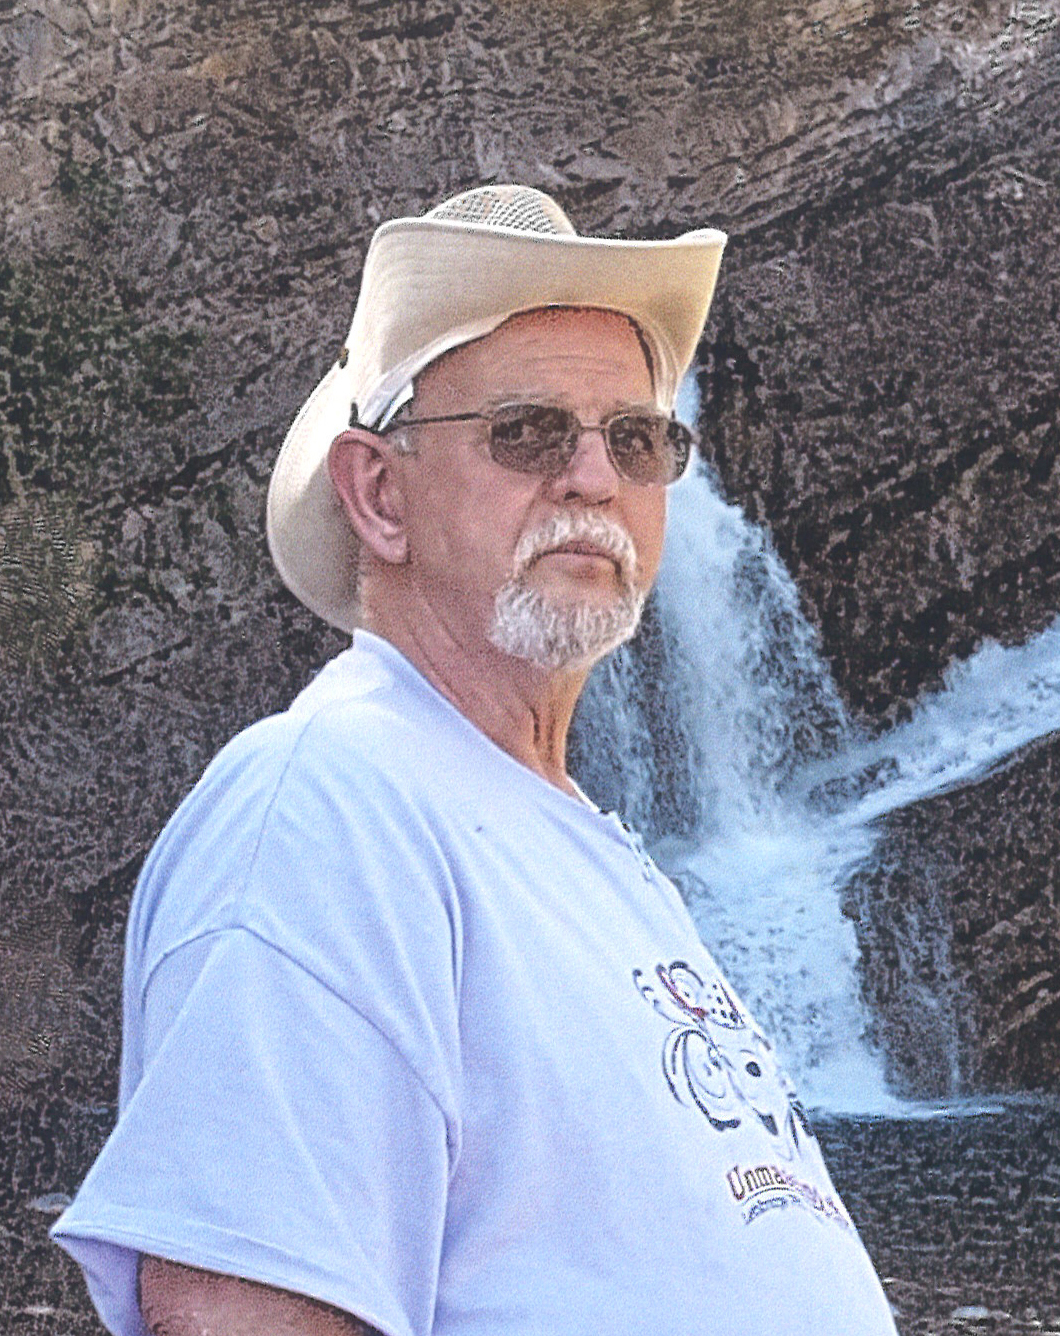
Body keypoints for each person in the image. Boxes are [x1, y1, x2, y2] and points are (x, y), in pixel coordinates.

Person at [52, 184, 898, 1336]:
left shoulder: (578, 844)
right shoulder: (329, 799)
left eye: (637, 439)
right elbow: (235, 1307)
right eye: (527, 430)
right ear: (378, 493)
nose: (594, 478)